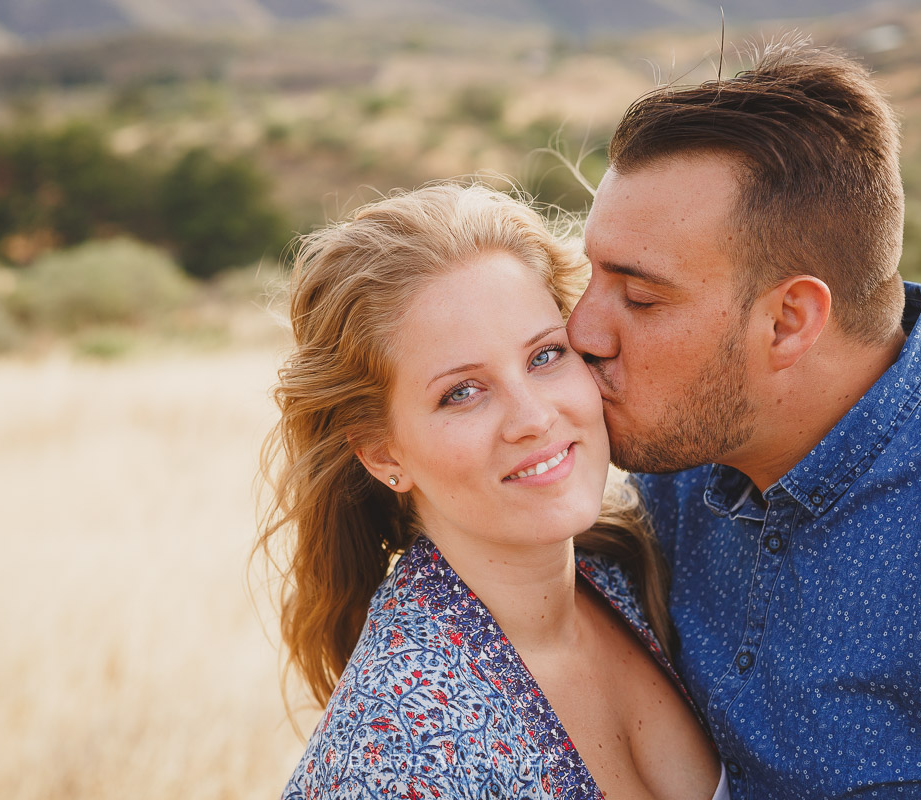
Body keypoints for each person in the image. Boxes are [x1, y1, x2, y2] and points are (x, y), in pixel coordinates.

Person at [567, 40, 921, 798]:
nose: (582, 333)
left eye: (642, 297)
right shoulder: (682, 460)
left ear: (790, 320)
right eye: (590, 276)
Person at [259, 183, 727, 798]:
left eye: (545, 356)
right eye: (462, 392)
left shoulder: (629, 567)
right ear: (383, 454)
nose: (532, 417)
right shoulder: (396, 758)